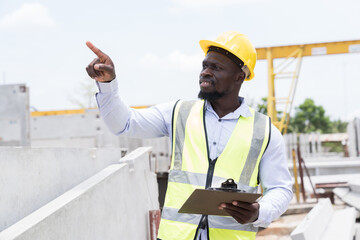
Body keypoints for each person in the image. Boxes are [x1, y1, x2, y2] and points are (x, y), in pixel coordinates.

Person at [86, 31, 293, 240]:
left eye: (217, 68)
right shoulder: (179, 113)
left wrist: (259, 212)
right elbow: (124, 124)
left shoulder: (264, 132)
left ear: (240, 76)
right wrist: (107, 85)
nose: (205, 72)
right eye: (205, 65)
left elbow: (280, 189)